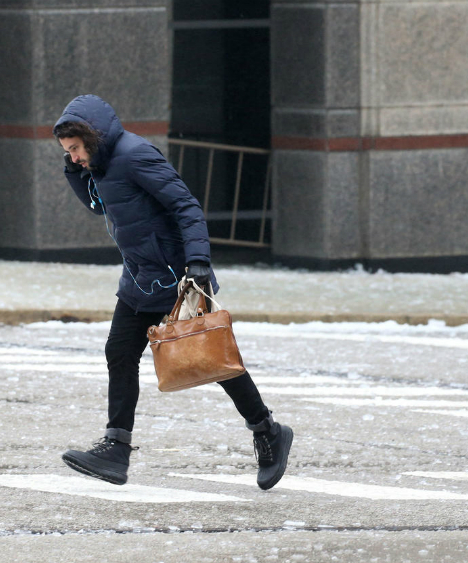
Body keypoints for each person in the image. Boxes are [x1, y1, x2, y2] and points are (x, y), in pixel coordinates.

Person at [54, 94, 293, 490]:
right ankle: (116, 448)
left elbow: (185, 205)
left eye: (75, 149)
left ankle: (268, 431)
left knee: (211, 360)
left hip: (176, 277)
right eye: (67, 152)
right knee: (119, 352)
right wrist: (76, 172)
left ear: (92, 137)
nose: (74, 156)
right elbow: (101, 206)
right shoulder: (101, 163)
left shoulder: (134, 155)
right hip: (139, 277)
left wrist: (197, 262)